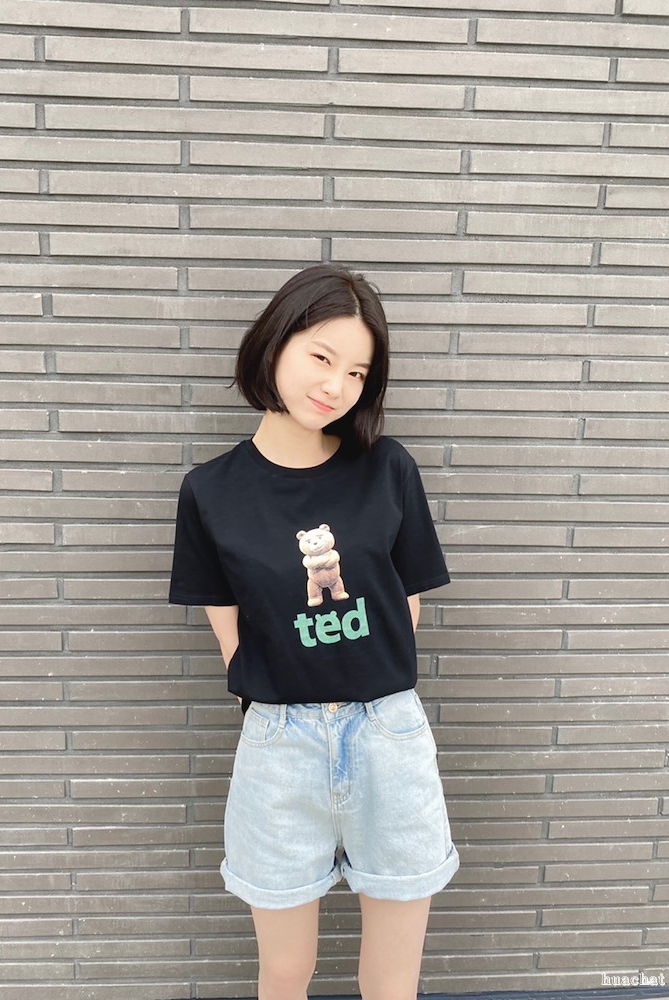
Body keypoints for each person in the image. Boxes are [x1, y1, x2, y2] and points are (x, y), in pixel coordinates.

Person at [168, 264, 459, 1000]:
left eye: (357, 372)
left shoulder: (387, 469)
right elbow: (230, 632)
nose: (336, 385)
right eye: (322, 356)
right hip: (279, 743)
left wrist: (369, 689)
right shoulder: (210, 492)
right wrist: (282, 700)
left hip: (388, 734)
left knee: (390, 979)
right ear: (275, 343)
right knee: (284, 971)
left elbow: (404, 607)